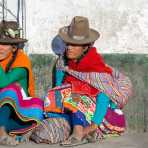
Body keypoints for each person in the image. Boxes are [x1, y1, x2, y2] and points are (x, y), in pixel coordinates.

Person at [52, 16, 132, 146]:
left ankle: (80, 133)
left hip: (100, 115)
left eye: (74, 44)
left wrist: (92, 126)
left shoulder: (95, 66)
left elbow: (104, 95)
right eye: (68, 43)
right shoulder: (62, 63)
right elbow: (58, 89)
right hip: (73, 109)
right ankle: (78, 129)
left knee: (75, 94)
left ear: (85, 47)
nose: (69, 47)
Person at [0, 20, 44, 146]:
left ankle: (2, 132)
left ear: (14, 47)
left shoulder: (21, 60)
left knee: (10, 90)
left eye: (5, 44)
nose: (0, 47)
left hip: (19, 113)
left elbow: (3, 82)